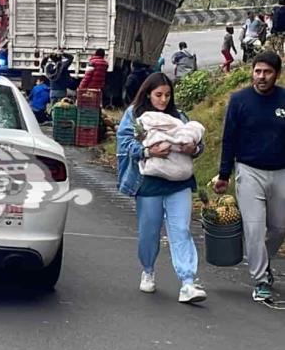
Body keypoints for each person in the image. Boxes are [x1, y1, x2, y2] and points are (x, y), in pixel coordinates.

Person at [117, 72, 207, 303]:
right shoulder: (134, 115)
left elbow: (198, 142)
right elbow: (125, 143)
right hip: (148, 184)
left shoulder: (179, 116)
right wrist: (148, 152)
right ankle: (148, 270)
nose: (163, 100)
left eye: (167, 95)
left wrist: (193, 149)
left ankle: (188, 282)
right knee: (149, 232)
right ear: (148, 93)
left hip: (179, 183)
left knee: (181, 230)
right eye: (158, 95)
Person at [214, 51, 285, 302]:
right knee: (254, 228)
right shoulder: (239, 100)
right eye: (257, 71)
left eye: (267, 72)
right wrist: (224, 174)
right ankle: (261, 279)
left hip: (280, 172)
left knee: (279, 227)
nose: (262, 77)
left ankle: (262, 262)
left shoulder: (283, 99)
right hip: (249, 170)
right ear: (252, 72)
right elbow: (229, 139)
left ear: (276, 73)